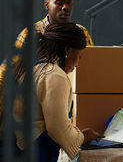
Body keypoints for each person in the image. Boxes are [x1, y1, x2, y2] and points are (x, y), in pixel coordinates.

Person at [19, 23, 103, 161]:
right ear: (68, 50)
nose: (77, 64)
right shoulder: (54, 75)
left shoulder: (35, 68)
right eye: (79, 56)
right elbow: (57, 129)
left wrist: (77, 134)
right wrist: (82, 138)